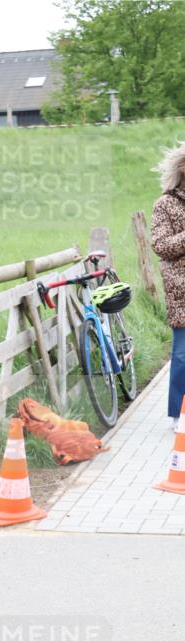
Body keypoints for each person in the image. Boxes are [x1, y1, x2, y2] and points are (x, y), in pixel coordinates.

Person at [151, 141, 185, 429]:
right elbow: (161, 245)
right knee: (183, 356)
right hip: (181, 290)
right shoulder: (165, 204)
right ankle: (179, 414)